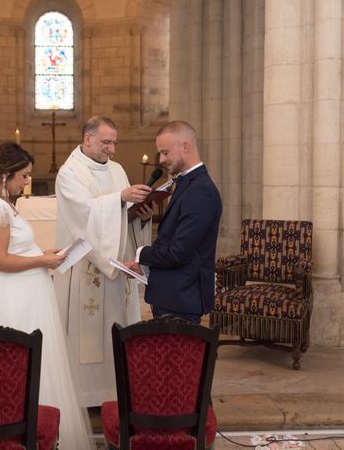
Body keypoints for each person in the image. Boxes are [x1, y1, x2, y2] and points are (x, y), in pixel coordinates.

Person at [0, 142, 93, 450]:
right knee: (23, 365)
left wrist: (42, 253)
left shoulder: (3, 204)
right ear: (5, 175)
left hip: (25, 291)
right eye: (23, 176)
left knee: (32, 364)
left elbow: (13, 251)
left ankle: (37, 431)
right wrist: (42, 261)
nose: (27, 182)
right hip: (15, 298)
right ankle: (28, 433)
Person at [54, 116, 155, 407]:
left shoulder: (118, 169)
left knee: (118, 327)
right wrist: (120, 198)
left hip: (118, 266)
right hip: (87, 268)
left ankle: (118, 394)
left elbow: (123, 217)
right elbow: (82, 216)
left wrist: (141, 216)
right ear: (87, 139)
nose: (112, 149)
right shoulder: (69, 172)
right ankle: (88, 397)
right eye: (106, 142)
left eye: (114, 143)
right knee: (89, 338)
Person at [125, 120, 222, 323]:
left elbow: (178, 252)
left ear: (185, 147)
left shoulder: (201, 191)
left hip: (182, 298)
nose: (161, 159)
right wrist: (144, 267)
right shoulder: (187, 184)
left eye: (166, 152)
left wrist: (142, 254)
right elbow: (173, 241)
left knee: (178, 355)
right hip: (171, 294)